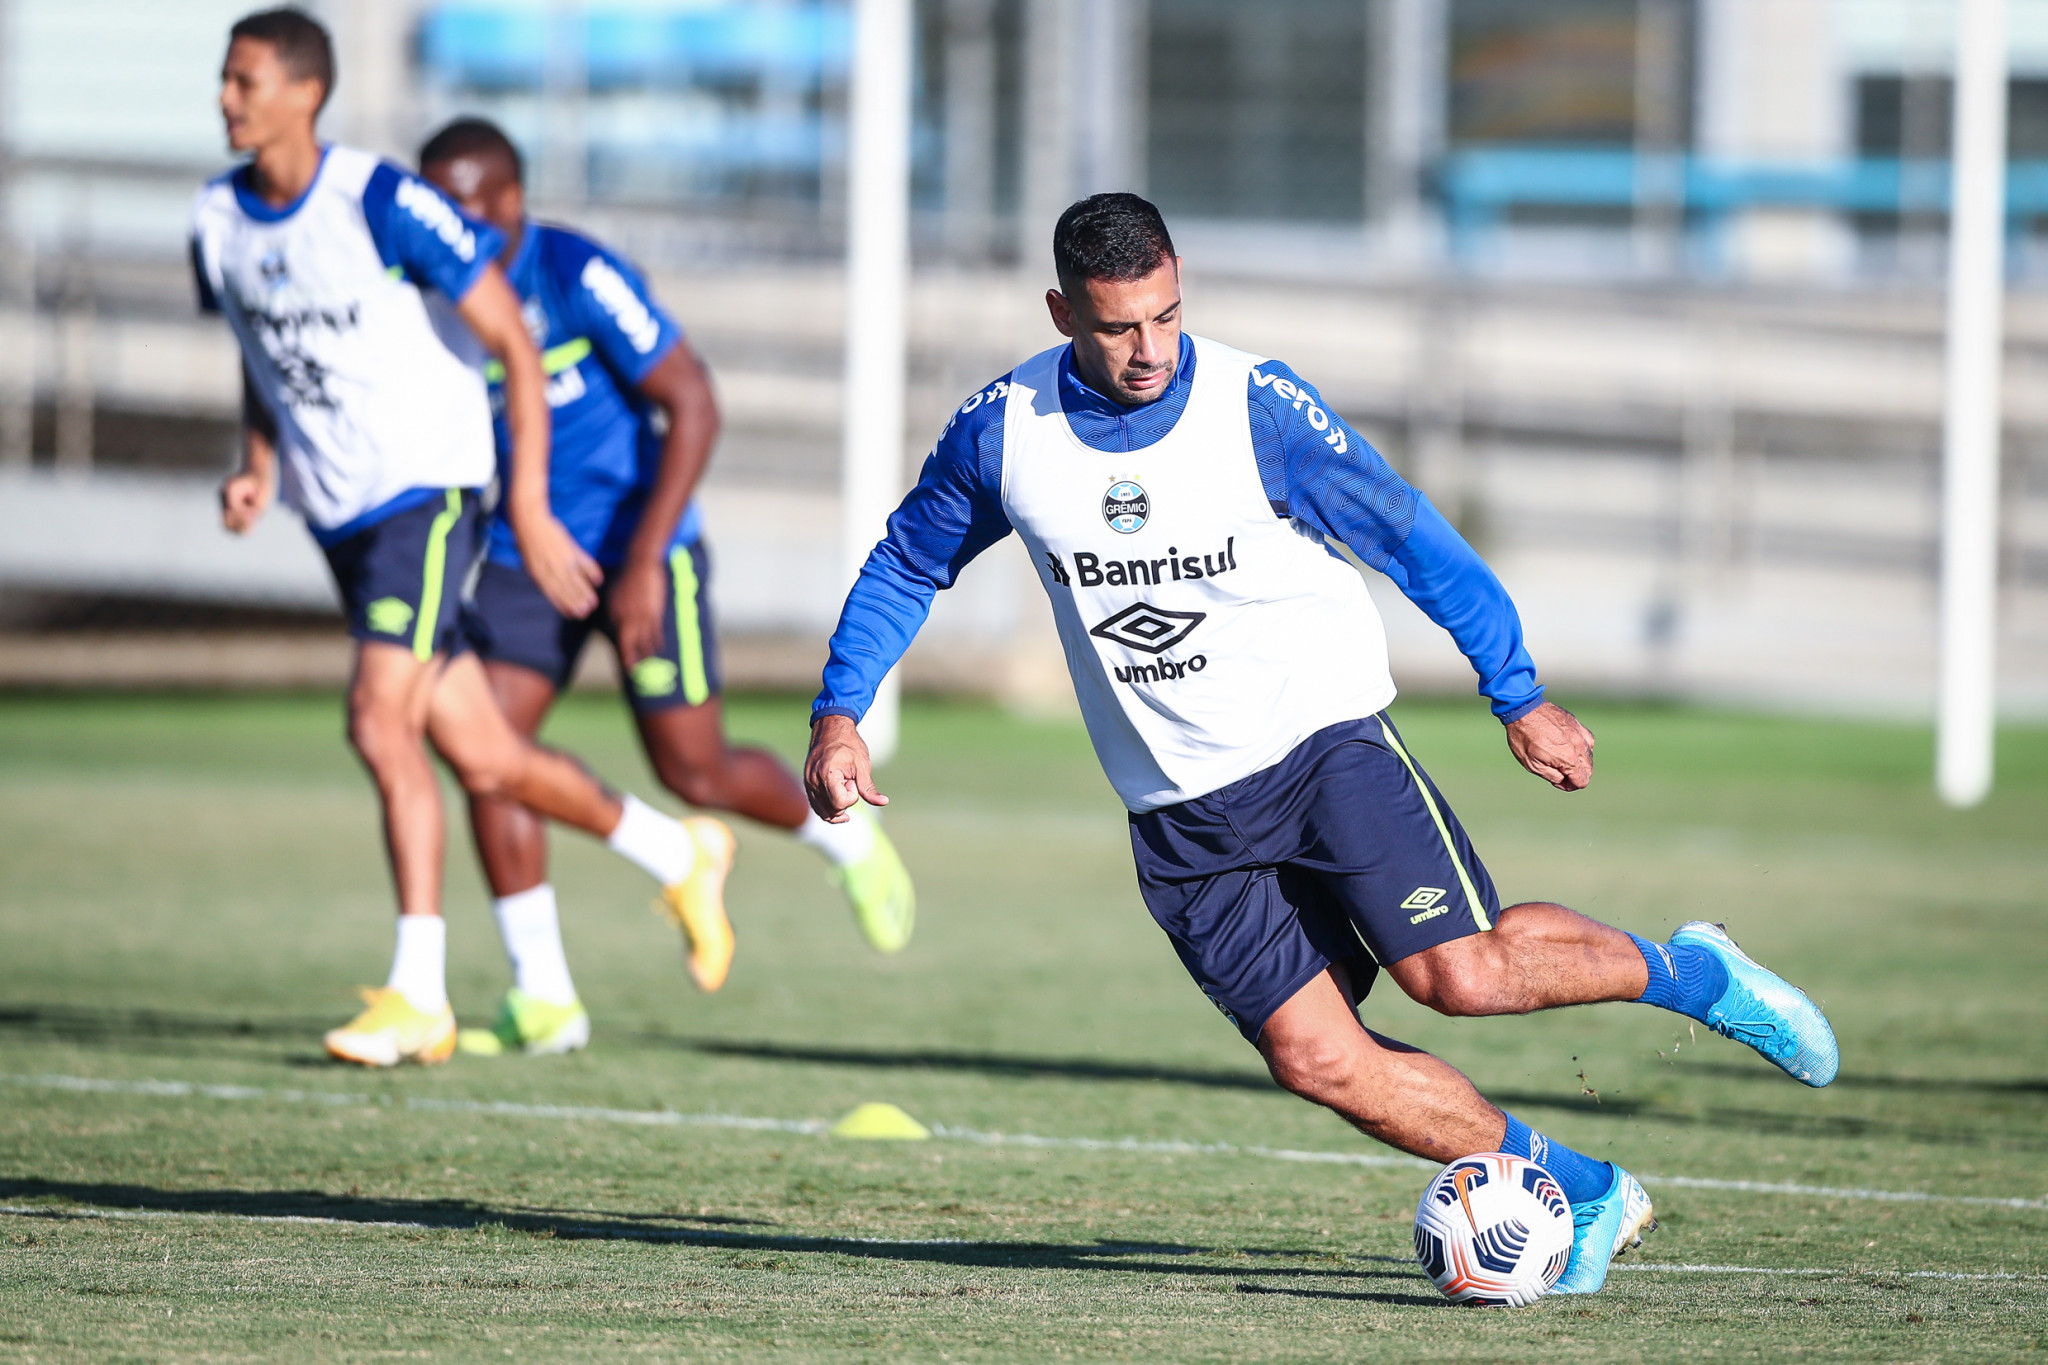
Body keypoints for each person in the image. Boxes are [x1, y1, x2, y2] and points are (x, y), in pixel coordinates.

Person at [803, 193, 1840, 1295]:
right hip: (1181, 816)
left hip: (1320, 746)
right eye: (1116, 328)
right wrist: (839, 711)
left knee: (1457, 975)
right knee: (1316, 1059)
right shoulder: (1002, 432)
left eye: (1164, 315)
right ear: (1062, 312)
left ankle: (1691, 970)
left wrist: (1517, 694)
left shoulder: (1258, 408)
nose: (1149, 349)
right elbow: (909, 564)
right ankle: (1578, 1186)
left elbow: (1407, 535)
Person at [192, 8, 733, 1066]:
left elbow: (513, 350)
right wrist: (260, 464)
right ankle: (675, 851)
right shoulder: (216, 219)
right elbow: (261, 348)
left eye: (243, 79)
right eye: (223, 79)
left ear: (306, 91)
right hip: (339, 516)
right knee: (481, 750)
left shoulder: (382, 202)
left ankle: (419, 992)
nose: (225, 97)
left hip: (427, 496)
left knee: (376, 723)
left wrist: (524, 506)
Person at [410, 119, 917, 1057]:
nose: (447, 225)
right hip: (529, 558)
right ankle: (545, 994)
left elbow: (693, 401)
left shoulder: (575, 274)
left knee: (693, 769)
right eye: (434, 206)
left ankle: (844, 842)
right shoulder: (427, 291)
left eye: (466, 205)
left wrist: (645, 562)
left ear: (512, 201)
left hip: (645, 548)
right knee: (487, 749)